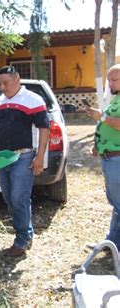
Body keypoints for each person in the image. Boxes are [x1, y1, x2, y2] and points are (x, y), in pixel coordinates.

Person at [0, 66, 50, 257]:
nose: (2, 87)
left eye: (6, 83)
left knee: (19, 198)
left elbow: (44, 128)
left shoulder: (33, 100)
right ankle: (27, 232)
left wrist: (39, 157)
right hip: (3, 157)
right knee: (10, 198)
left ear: (17, 79)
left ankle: (21, 239)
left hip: (24, 156)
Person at [86, 63, 120, 250]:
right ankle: (112, 244)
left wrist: (102, 117)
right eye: (109, 80)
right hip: (110, 157)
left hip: (118, 158)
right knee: (117, 204)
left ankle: (114, 246)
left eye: (114, 80)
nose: (111, 84)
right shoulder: (116, 99)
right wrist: (98, 145)